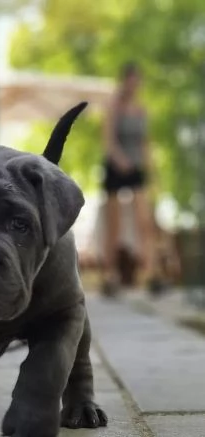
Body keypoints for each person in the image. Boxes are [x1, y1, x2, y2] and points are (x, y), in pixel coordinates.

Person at [101, 62, 160, 295]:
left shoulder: (142, 110)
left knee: (145, 222)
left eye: (138, 81)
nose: (134, 85)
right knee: (114, 223)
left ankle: (152, 273)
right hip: (116, 167)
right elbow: (108, 140)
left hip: (136, 169)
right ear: (124, 81)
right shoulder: (113, 107)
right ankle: (110, 274)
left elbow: (145, 143)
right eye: (131, 80)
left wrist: (151, 170)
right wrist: (120, 159)